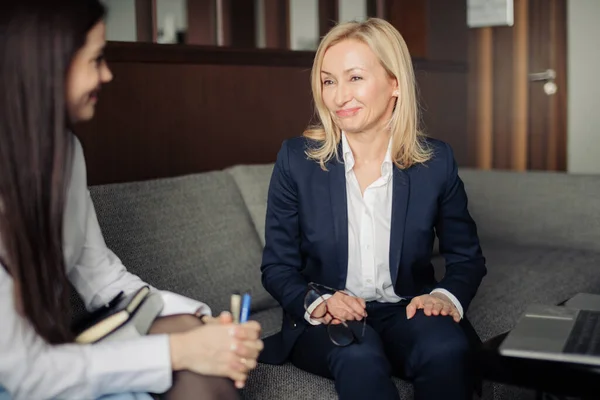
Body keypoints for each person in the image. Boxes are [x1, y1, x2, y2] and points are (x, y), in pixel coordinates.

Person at [0, 1, 262, 399]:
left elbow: (103, 279)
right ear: (47, 65)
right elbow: (26, 371)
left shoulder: (65, 153)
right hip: (27, 375)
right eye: (96, 59)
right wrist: (178, 350)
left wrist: (199, 324)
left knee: (201, 346)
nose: (107, 74)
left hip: (59, 353)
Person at [260, 18, 487, 400]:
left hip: (405, 309)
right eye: (329, 81)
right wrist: (320, 302)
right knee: (359, 356)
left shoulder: (436, 162)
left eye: (355, 78)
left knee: (447, 350)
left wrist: (443, 297)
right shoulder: (295, 160)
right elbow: (277, 267)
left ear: (394, 83)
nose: (338, 96)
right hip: (328, 316)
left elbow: (467, 259)